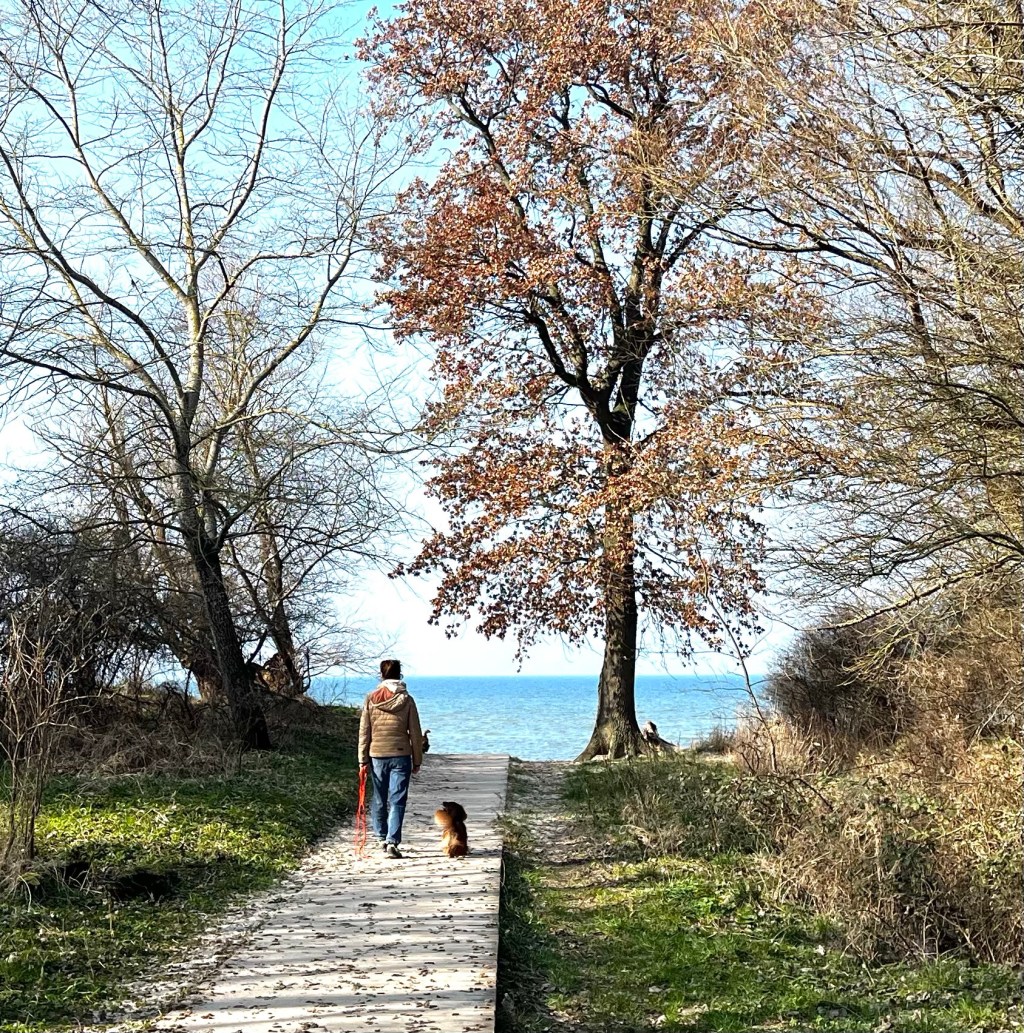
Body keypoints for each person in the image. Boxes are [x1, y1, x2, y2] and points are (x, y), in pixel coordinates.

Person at [357, 659, 423, 859]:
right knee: (398, 799)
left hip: (377, 755)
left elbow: (364, 731)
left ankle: (380, 837)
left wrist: (362, 759)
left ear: (381, 674)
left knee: (379, 797)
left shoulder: (370, 698)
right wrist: (417, 759)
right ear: (400, 674)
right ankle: (392, 841)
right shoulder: (407, 699)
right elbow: (415, 732)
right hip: (401, 754)